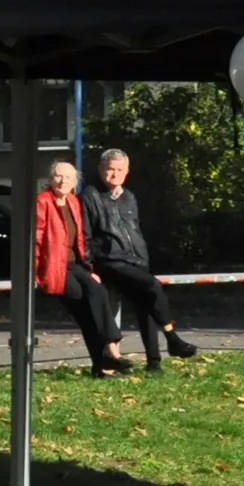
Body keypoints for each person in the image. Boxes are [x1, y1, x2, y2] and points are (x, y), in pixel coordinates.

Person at [83, 148, 198, 372]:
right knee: (152, 286)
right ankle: (172, 337)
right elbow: (85, 235)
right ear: (100, 170)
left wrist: (142, 256)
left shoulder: (129, 197)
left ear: (127, 172)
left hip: (135, 260)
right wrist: (90, 265)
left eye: (120, 170)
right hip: (110, 260)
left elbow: (134, 230)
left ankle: (154, 363)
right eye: (110, 169)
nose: (114, 174)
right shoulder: (91, 195)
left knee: (146, 302)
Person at [36, 162, 130, 378]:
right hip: (55, 266)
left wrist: (89, 268)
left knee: (97, 292)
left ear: (75, 182)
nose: (63, 181)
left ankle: (108, 356)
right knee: (87, 310)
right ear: (50, 179)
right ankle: (106, 360)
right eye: (59, 176)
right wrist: (36, 272)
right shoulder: (42, 203)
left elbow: (80, 239)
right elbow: (36, 240)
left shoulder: (73, 202)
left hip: (75, 264)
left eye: (68, 178)